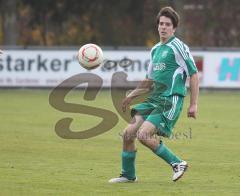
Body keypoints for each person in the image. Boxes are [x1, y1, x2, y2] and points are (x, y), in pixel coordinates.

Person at [109, 6, 199, 183]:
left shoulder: (178, 47)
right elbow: (149, 80)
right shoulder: (155, 49)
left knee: (143, 135)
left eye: (167, 24)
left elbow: (193, 73)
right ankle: (128, 175)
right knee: (128, 134)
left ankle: (178, 163)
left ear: (174, 28)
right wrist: (131, 95)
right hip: (153, 99)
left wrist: (194, 103)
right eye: (161, 24)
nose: (163, 27)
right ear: (157, 26)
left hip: (169, 99)